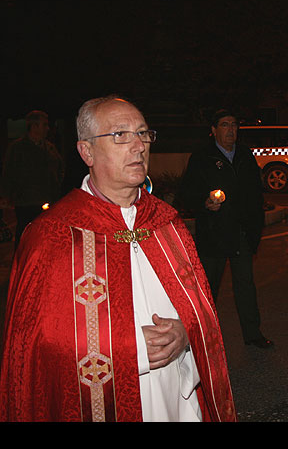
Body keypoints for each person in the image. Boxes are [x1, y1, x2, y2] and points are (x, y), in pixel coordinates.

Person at [0, 96, 236, 422]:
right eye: (120, 135)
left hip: (174, 395)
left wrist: (186, 336)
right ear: (87, 152)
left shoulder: (167, 223)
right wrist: (129, 346)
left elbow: (198, 310)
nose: (139, 146)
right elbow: (37, 345)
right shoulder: (51, 234)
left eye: (143, 134)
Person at [178, 109, 272, 349]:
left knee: (246, 285)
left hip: (241, 232)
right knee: (209, 288)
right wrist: (204, 202)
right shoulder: (201, 157)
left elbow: (254, 192)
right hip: (214, 233)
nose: (231, 130)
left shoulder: (244, 155)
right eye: (225, 125)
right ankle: (202, 338)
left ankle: (253, 334)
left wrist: (255, 225)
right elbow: (186, 194)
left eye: (234, 125)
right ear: (213, 130)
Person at [1, 110, 64, 248]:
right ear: (34, 126)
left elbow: (59, 170)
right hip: (26, 201)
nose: (47, 129)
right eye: (44, 125)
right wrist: (6, 195)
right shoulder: (17, 148)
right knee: (25, 235)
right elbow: (9, 172)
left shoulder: (50, 148)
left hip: (47, 199)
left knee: (46, 235)